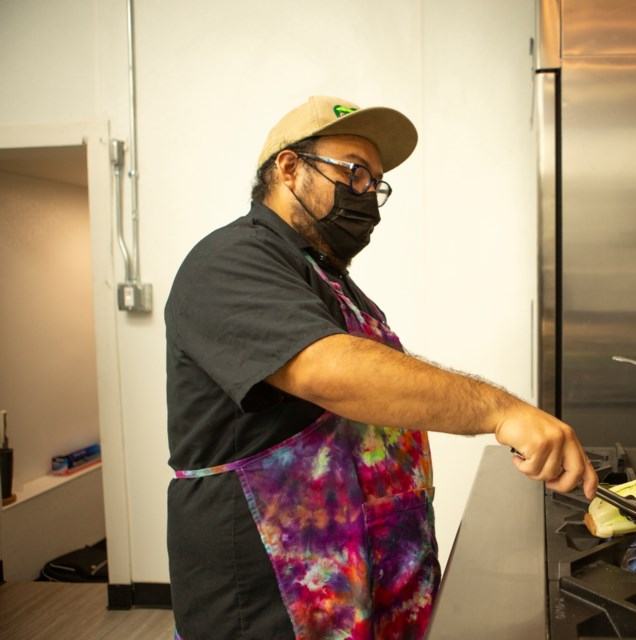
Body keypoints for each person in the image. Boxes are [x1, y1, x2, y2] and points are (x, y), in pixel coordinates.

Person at [165, 95, 599, 640]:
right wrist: (499, 409)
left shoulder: (331, 281)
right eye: (354, 172)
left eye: (376, 183)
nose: (367, 194)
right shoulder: (229, 260)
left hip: (370, 581)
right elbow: (327, 370)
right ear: (289, 167)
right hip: (274, 595)